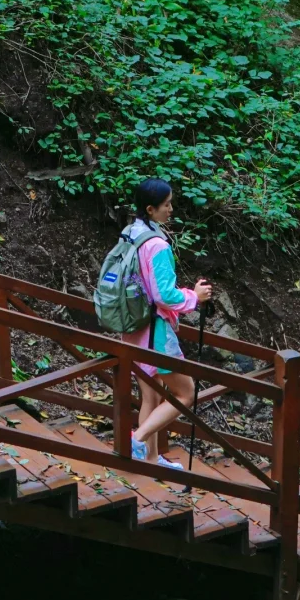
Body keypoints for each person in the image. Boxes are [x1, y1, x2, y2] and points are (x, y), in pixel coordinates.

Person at [121, 177, 212, 466]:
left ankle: (148, 459)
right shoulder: (157, 244)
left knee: (152, 394)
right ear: (150, 209)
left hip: (132, 325)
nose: (171, 209)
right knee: (186, 392)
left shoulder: (131, 233)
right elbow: (164, 295)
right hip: (155, 331)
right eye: (166, 205)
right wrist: (194, 297)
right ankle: (136, 440)